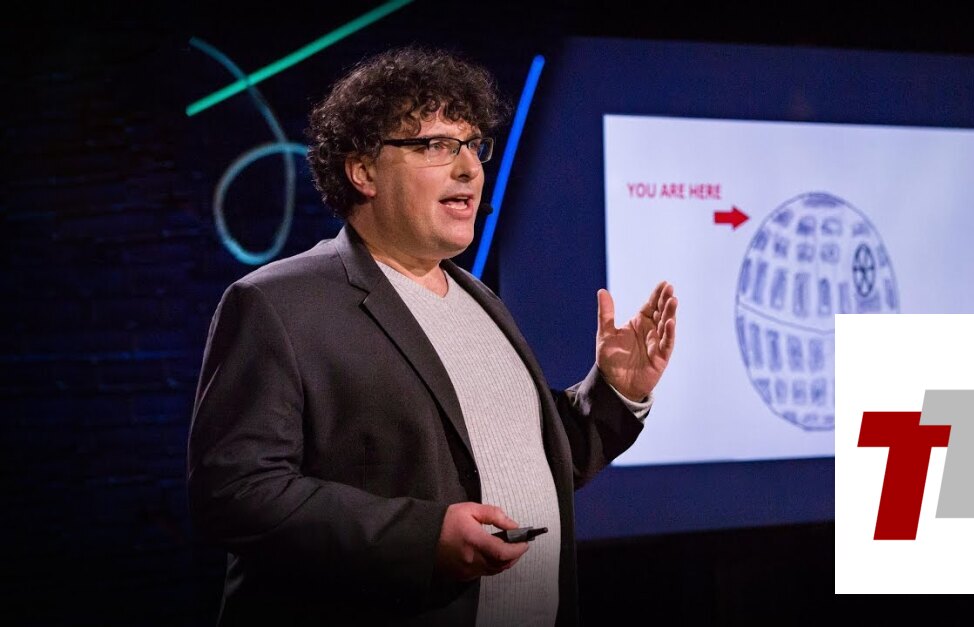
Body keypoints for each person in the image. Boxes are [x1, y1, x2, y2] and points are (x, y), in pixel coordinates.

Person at [187, 45, 677, 627]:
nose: (469, 168)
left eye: (473, 145)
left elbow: (528, 461)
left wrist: (616, 391)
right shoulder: (278, 303)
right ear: (363, 170)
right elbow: (236, 494)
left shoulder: (480, 300)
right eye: (437, 146)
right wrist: (423, 538)